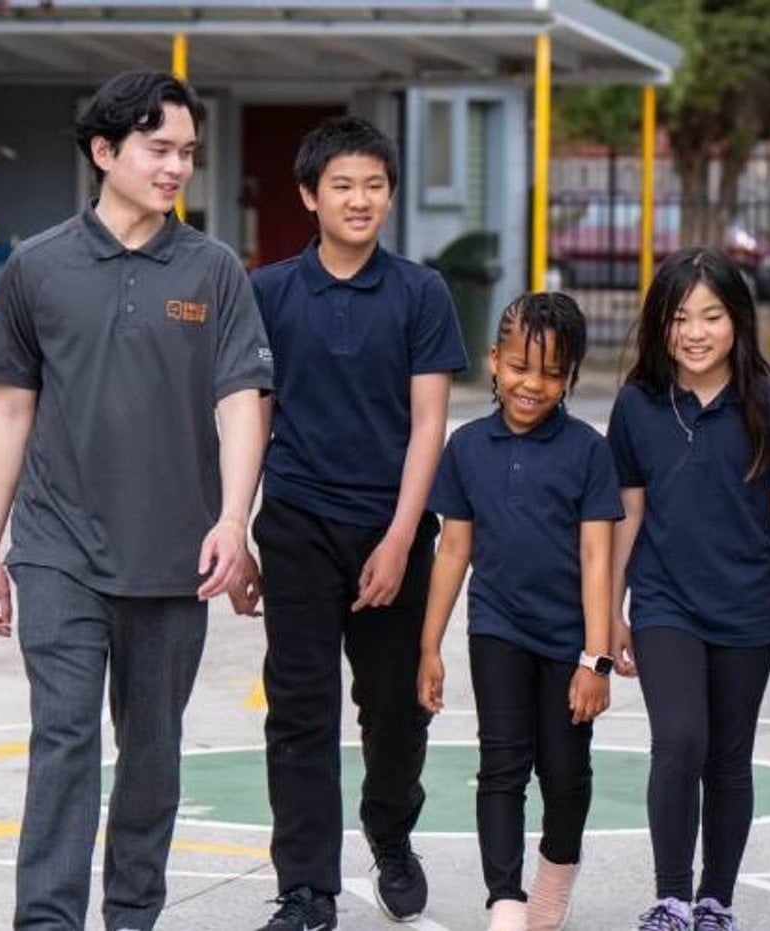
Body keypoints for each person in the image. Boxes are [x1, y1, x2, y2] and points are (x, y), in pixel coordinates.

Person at [0, 71, 273, 930]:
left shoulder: (214, 272)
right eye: (159, 149)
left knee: (150, 757)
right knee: (63, 740)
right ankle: (49, 920)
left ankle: (132, 915)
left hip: (176, 557)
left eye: (187, 152)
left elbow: (241, 404)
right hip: (57, 549)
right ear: (105, 151)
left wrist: (231, 520)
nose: (177, 167)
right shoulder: (37, 267)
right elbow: (11, 411)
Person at [230, 116, 467, 931]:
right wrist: (237, 527)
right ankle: (307, 889)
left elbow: (429, 424)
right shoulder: (266, 294)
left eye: (373, 185)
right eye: (342, 185)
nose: (360, 199)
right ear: (309, 196)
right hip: (295, 523)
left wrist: (403, 537)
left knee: (397, 707)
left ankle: (391, 832)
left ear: (390, 196)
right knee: (299, 708)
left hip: (391, 524)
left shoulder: (421, 293)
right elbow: (252, 421)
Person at [607, 247, 770, 931]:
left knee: (728, 757)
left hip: (747, 610)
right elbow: (628, 512)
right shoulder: (638, 405)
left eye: (712, 316)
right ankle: (671, 897)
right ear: (657, 325)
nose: (695, 332)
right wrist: (609, 609)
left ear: (739, 321)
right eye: (679, 318)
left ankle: (714, 901)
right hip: (665, 603)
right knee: (678, 739)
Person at [417, 292, 622, 931]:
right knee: (500, 765)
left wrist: (596, 658)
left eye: (552, 373)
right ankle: (504, 900)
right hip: (497, 629)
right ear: (494, 362)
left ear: (570, 378)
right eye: (519, 367)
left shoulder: (588, 450)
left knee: (565, 772)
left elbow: (597, 558)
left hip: (569, 641)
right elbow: (453, 549)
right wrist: (429, 646)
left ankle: (554, 879)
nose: (532, 385)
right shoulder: (468, 447)